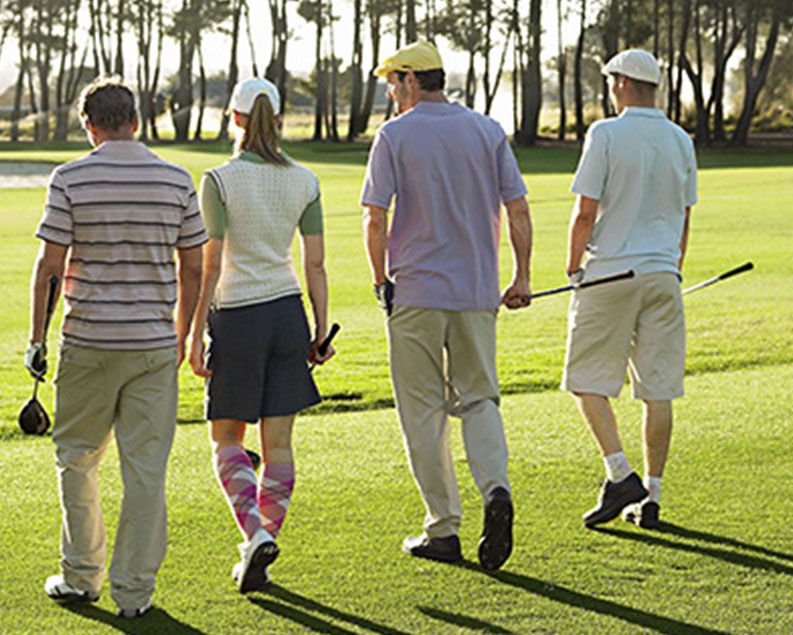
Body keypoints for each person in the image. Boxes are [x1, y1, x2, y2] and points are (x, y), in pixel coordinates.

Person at [26, 78, 207, 617]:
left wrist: (36, 339)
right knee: (145, 471)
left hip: (88, 343)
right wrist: (182, 332)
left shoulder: (70, 177)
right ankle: (135, 595)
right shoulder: (176, 179)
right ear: (136, 118)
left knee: (77, 459)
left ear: (90, 126)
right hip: (154, 345)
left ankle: (82, 577)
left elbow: (49, 267)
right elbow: (194, 265)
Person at [360, 41, 533, 571]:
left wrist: (379, 280)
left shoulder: (394, 135)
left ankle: (443, 528)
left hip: (415, 293)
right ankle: (496, 490)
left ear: (412, 80)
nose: (390, 93)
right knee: (480, 400)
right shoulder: (487, 130)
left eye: (393, 82)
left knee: (423, 411)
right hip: (477, 292)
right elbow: (519, 209)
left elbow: (374, 217)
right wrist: (520, 276)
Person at [188, 77, 334, 593]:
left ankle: (253, 538)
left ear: (236, 118)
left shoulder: (218, 180)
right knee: (280, 447)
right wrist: (319, 328)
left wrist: (193, 331)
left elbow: (209, 265)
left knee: (226, 438)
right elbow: (314, 264)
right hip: (288, 316)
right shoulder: (305, 179)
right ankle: (262, 547)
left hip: (238, 317)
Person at [562, 49, 697, 530]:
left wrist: (572, 267)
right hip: (663, 274)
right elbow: (684, 216)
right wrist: (672, 269)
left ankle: (621, 475)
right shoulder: (681, 139)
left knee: (585, 380)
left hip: (610, 274)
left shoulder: (606, 133)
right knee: (656, 389)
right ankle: (652, 499)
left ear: (620, 82)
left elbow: (585, 211)